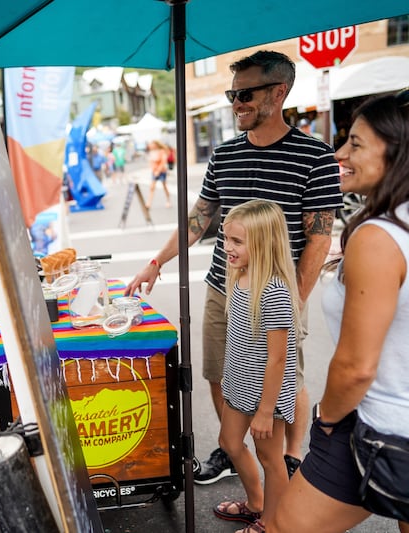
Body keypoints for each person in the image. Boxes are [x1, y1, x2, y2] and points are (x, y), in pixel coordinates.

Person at [125, 50, 341, 485]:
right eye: (232, 93)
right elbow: (198, 220)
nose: (236, 102)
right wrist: (155, 262)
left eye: (245, 93)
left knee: (282, 381)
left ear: (279, 92)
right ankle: (235, 448)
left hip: (276, 295)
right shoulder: (224, 156)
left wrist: (295, 301)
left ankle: (288, 459)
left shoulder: (316, 158)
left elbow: (318, 239)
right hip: (223, 289)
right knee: (218, 375)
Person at [271, 90, 409, 533]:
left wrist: (326, 419)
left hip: (384, 428)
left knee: (284, 526)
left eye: (356, 143)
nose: (340, 153)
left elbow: (354, 367)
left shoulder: (379, 236)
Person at [213, 200, 299, 533]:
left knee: (270, 459)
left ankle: (275, 524)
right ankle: (256, 503)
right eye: (226, 239)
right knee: (230, 443)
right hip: (239, 386)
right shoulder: (238, 276)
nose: (227, 247)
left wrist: (265, 410)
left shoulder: (273, 291)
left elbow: (278, 358)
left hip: (267, 395)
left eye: (236, 241)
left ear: (262, 243)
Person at [146, 139, 171, 208]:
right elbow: (151, 162)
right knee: (152, 187)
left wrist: (158, 171)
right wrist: (154, 170)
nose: (151, 146)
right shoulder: (151, 152)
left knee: (164, 186)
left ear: (156, 145)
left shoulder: (162, 151)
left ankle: (168, 200)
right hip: (154, 172)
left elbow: (163, 162)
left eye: (152, 144)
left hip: (162, 171)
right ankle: (149, 203)